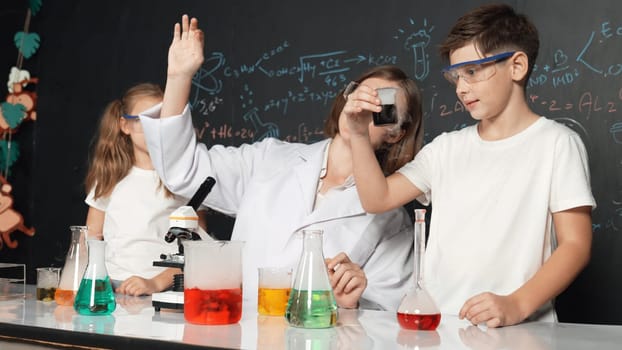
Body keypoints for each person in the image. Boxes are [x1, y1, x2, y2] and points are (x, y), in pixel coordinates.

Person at [139, 15, 424, 310]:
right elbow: (181, 171)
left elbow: (388, 314)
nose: (362, 109)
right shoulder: (269, 159)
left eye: (381, 106)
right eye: (361, 96)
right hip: (238, 332)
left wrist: (352, 304)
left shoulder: (390, 221)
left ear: (396, 133)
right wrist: (179, 77)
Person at [347, 3, 595, 327]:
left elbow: (576, 245)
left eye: (473, 72)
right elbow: (376, 198)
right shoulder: (446, 149)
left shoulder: (556, 144)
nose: (461, 88)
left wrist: (516, 304)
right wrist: (357, 135)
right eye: (455, 77)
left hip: (520, 332)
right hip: (441, 326)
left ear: (517, 66)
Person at [84, 83, 205, 296]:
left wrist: (155, 283)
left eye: (161, 120)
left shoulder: (185, 180)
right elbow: (90, 238)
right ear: (125, 125)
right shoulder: (110, 177)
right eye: (144, 120)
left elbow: (198, 250)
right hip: (111, 290)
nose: (154, 129)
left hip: (166, 291)